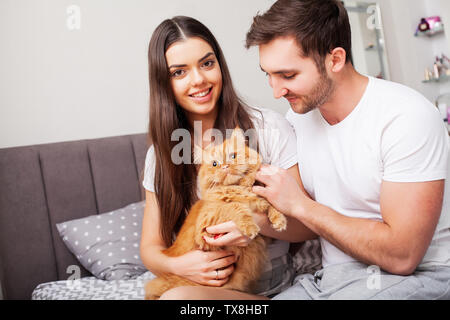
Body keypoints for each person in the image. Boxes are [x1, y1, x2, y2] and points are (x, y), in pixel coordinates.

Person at [245, 0, 450, 299]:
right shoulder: (297, 120)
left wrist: (301, 205)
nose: (276, 91)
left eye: (288, 76)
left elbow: (402, 257)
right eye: (268, 74)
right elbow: (298, 223)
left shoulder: (405, 116)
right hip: (331, 279)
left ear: (336, 59)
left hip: (420, 275)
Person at [139, 16, 317, 300]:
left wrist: (256, 221)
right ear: (164, 81)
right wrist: (179, 265)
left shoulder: (267, 128)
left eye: (207, 64)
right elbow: (150, 248)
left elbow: (308, 225)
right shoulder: (161, 155)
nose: (198, 80)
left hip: (270, 290)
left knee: (178, 300)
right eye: (179, 72)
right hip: (201, 290)